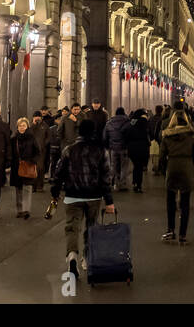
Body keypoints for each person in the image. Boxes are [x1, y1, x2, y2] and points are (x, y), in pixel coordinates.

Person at [49, 118, 115, 281]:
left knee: (72, 228)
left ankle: (72, 257)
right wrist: (109, 201)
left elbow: (58, 173)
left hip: (72, 195)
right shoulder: (101, 151)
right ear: (94, 132)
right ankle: (86, 258)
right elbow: (106, 178)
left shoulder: (69, 149)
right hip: (93, 196)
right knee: (91, 227)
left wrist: (55, 192)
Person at [160, 106, 194, 243]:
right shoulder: (191, 135)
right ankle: (183, 235)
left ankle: (170, 230)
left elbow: (162, 157)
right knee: (185, 203)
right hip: (187, 167)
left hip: (172, 167)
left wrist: (164, 170)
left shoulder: (167, 135)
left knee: (170, 200)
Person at [10, 116, 40, 218]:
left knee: (27, 188)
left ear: (27, 126)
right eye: (20, 126)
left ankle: (26, 209)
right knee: (18, 189)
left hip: (28, 165)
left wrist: (33, 161)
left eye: (24, 125)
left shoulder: (32, 138)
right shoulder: (13, 139)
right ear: (17, 127)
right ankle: (19, 210)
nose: (22, 127)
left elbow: (37, 151)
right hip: (17, 166)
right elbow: (10, 153)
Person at [104, 106, 131, 191]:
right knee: (124, 166)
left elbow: (105, 136)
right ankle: (122, 185)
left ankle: (112, 183)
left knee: (113, 166)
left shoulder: (109, 123)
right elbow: (130, 135)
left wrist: (107, 146)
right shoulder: (128, 122)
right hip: (124, 148)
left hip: (113, 148)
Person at [125, 108, 151, 193]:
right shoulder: (144, 122)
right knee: (139, 167)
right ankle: (138, 185)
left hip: (132, 148)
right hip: (142, 148)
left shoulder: (132, 122)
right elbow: (149, 133)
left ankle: (135, 182)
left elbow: (127, 134)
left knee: (136, 166)